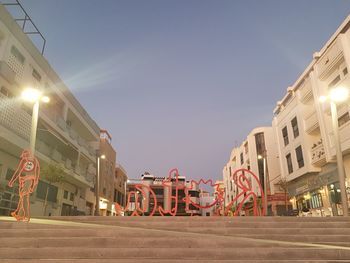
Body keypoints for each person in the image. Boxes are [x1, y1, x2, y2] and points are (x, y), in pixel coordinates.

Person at [8, 150, 40, 221]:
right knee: (22, 197)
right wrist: (12, 181)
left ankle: (25, 216)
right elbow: (18, 171)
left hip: (28, 181)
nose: (24, 157)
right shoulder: (24, 160)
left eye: (25, 156)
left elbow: (36, 174)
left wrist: (33, 185)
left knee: (24, 197)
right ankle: (20, 214)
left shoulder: (34, 160)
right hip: (23, 181)